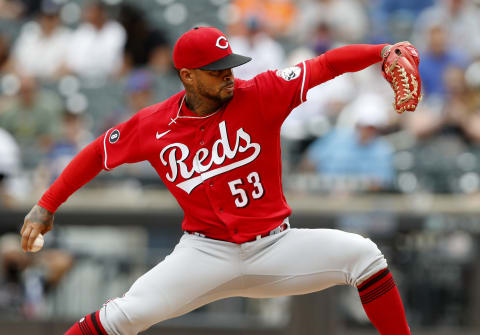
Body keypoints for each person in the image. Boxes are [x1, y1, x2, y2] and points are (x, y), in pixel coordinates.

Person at [20, 27, 413, 335]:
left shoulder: (261, 93)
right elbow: (95, 155)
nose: (229, 73)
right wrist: (46, 204)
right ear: (188, 76)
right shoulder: (152, 125)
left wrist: (380, 52)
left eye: (230, 64)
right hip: (204, 254)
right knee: (120, 317)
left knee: (364, 256)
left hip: (275, 245)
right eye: (217, 69)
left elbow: (327, 64)